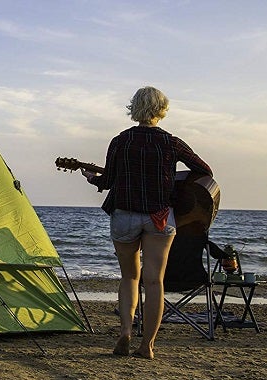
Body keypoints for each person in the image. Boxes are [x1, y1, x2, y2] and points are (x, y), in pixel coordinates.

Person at [80, 86, 212, 359]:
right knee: (155, 281)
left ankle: (126, 332)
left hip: (125, 214)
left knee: (129, 276)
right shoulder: (171, 142)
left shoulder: (120, 141)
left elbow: (107, 182)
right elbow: (204, 170)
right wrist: (175, 190)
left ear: (134, 108)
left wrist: (91, 177)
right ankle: (148, 345)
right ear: (161, 109)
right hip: (160, 216)